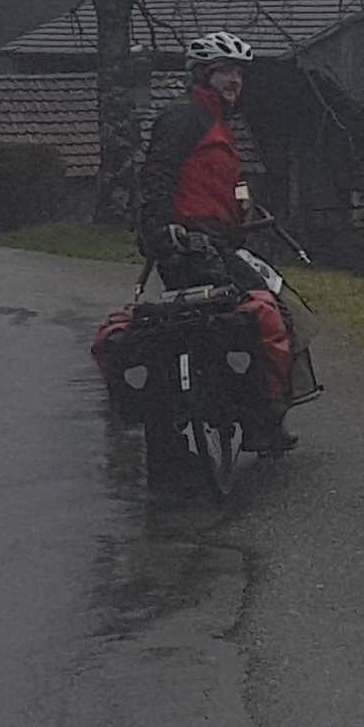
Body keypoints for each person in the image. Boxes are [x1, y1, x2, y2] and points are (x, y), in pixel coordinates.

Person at [132, 31, 300, 449]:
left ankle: (241, 405)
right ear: (203, 75)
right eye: (225, 71)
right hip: (190, 244)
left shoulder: (219, 125)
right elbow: (158, 174)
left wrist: (244, 213)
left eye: (239, 73)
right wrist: (156, 226)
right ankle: (263, 421)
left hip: (217, 242)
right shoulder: (186, 117)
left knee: (232, 323)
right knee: (268, 312)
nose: (234, 80)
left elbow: (216, 186)